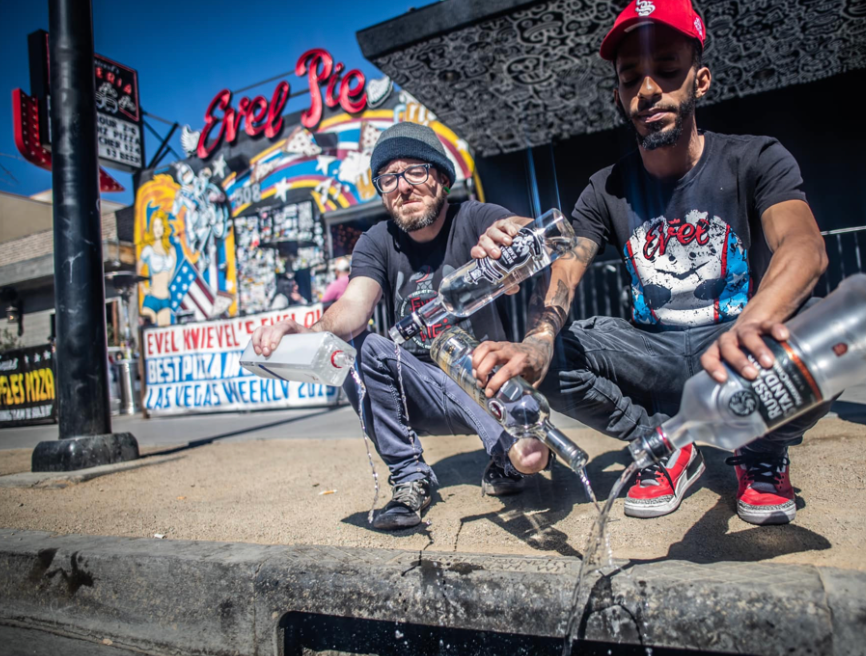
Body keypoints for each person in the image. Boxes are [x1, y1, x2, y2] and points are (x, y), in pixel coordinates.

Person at [470, 0, 832, 526]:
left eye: (667, 71)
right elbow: (566, 270)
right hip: (651, 352)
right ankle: (662, 445)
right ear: (617, 94)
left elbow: (803, 247)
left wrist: (755, 321)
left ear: (700, 80)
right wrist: (539, 340)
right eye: (631, 78)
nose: (647, 90)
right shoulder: (606, 188)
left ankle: (759, 454)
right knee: (539, 364)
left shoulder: (756, 158)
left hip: (735, 343)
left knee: (824, 336)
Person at [250, 122, 546, 531]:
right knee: (362, 348)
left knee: (521, 446)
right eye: (388, 178)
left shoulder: (473, 216)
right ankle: (410, 478)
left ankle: (506, 453)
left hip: (482, 385)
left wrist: (517, 234)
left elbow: (520, 227)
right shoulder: (376, 240)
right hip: (417, 390)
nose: (402, 187)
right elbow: (353, 306)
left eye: (415, 172)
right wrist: (309, 331)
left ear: (441, 176)